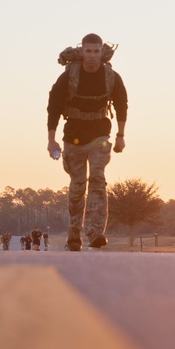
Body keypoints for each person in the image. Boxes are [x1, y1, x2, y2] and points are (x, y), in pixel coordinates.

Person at [47, 33, 128, 251]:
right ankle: (74, 234)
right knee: (77, 185)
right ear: (82, 52)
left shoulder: (111, 77)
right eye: (88, 51)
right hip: (73, 136)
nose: (92, 56)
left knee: (98, 179)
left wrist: (121, 136)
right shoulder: (68, 77)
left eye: (96, 51)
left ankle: (95, 232)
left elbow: (122, 104)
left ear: (102, 52)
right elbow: (53, 106)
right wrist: (51, 140)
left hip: (100, 135)